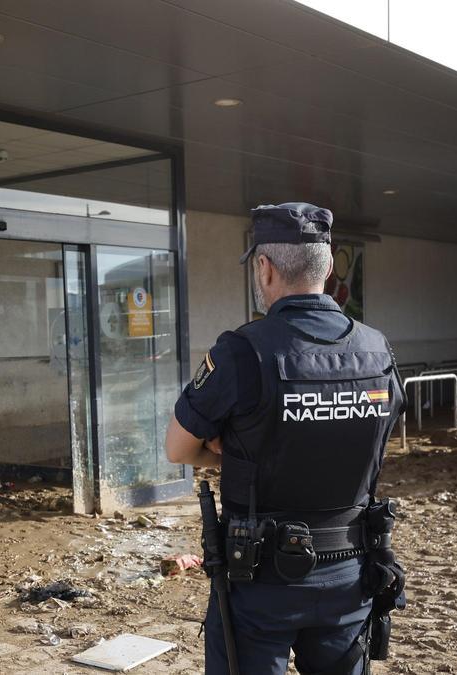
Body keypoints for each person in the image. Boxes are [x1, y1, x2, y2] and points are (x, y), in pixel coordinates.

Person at [166, 202, 406, 675]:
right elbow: (372, 439)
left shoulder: (242, 351)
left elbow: (178, 448)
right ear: (330, 266)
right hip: (350, 574)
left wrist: (239, 452)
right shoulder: (377, 348)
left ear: (265, 267)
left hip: (259, 583)